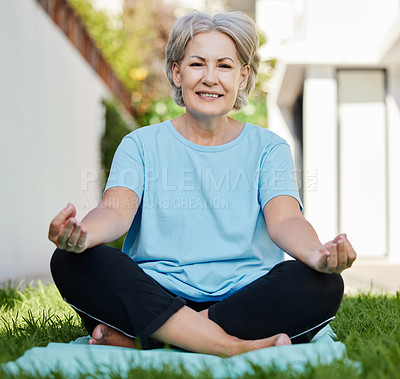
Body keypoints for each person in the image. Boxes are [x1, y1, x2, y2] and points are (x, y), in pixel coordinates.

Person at [49, 11, 356, 357]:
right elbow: (115, 210)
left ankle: (156, 337)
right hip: (156, 293)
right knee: (70, 261)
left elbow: (285, 219)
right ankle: (230, 345)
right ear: (177, 73)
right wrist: (83, 236)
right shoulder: (140, 144)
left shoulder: (269, 148)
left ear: (243, 77)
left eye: (224, 66)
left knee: (324, 284)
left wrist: (317, 255)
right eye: (197, 64)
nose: (210, 78)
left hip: (243, 297)